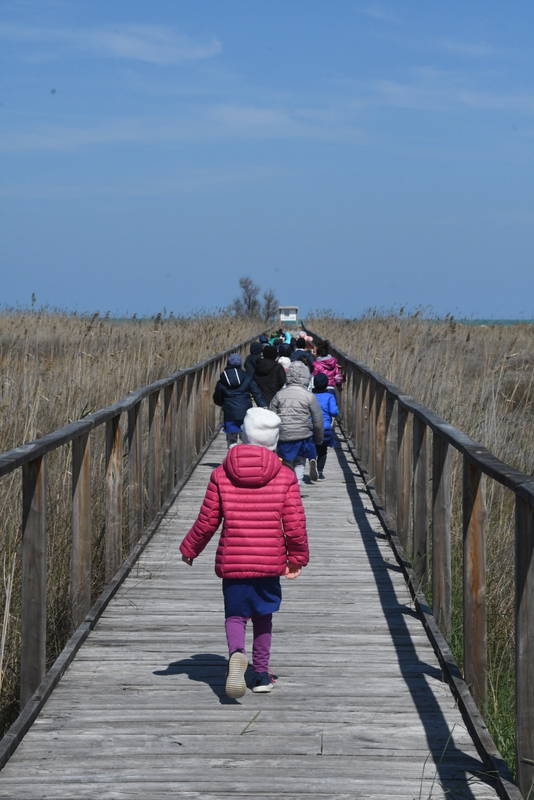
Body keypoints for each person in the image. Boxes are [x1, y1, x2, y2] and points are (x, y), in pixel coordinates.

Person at [179, 407, 309, 697]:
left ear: (244, 435)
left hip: (234, 561)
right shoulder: (285, 476)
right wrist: (296, 558)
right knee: (264, 617)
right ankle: (261, 674)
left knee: (235, 615)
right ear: (274, 441)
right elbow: (295, 524)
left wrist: (190, 548)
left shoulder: (221, 474)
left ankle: (236, 654)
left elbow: (207, 520)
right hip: (269, 561)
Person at [270, 360, 324, 484]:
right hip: (303, 434)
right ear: (306, 377)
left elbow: (271, 416)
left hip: (284, 435)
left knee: (285, 461)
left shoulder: (279, 395)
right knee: (300, 459)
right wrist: (318, 438)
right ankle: (298, 481)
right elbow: (317, 420)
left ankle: (288, 481)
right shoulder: (309, 396)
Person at [213, 353, 265, 447]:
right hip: (245, 412)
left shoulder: (222, 380)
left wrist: (223, 404)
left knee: (231, 439)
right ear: (240, 364)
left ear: (228, 363)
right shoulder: (246, 377)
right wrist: (262, 406)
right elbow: (256, 392)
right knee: (245, 438)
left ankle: (232, 451)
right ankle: (244, 457)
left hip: (229, 413)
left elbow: (217, 398)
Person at [312, 373, 339, 479]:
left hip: (311, 427)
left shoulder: (310, 396)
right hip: (325, 428)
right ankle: (320, 470)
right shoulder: (329, 396)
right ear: (326, 384)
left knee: (313, 446)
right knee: (323, 450)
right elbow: (334, 411)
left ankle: (312, 459)